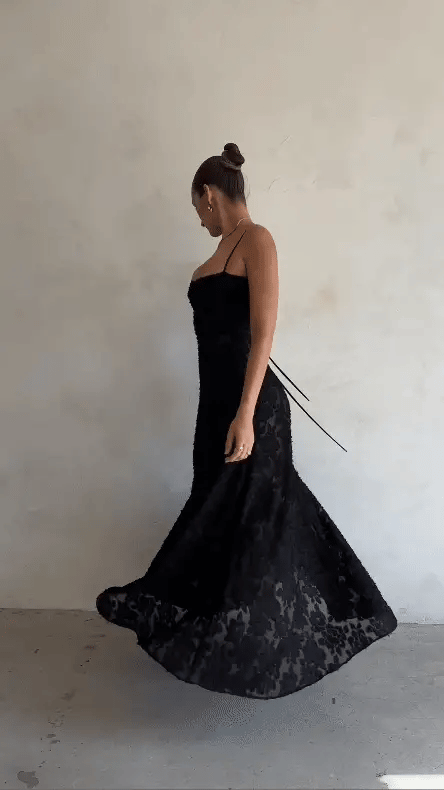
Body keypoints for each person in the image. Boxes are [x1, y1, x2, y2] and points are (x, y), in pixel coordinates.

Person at [96, 143, 397, 700]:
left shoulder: (257, 240)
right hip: (215, 408)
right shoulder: (216, 255)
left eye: (197, 209)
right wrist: (225, 413)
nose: (199, 220)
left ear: (209, 195)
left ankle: (288, 641)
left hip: (252, 409)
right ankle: (234, 641)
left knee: (263, 524)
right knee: (219, 520)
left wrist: (246, 414)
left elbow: (263, 334)